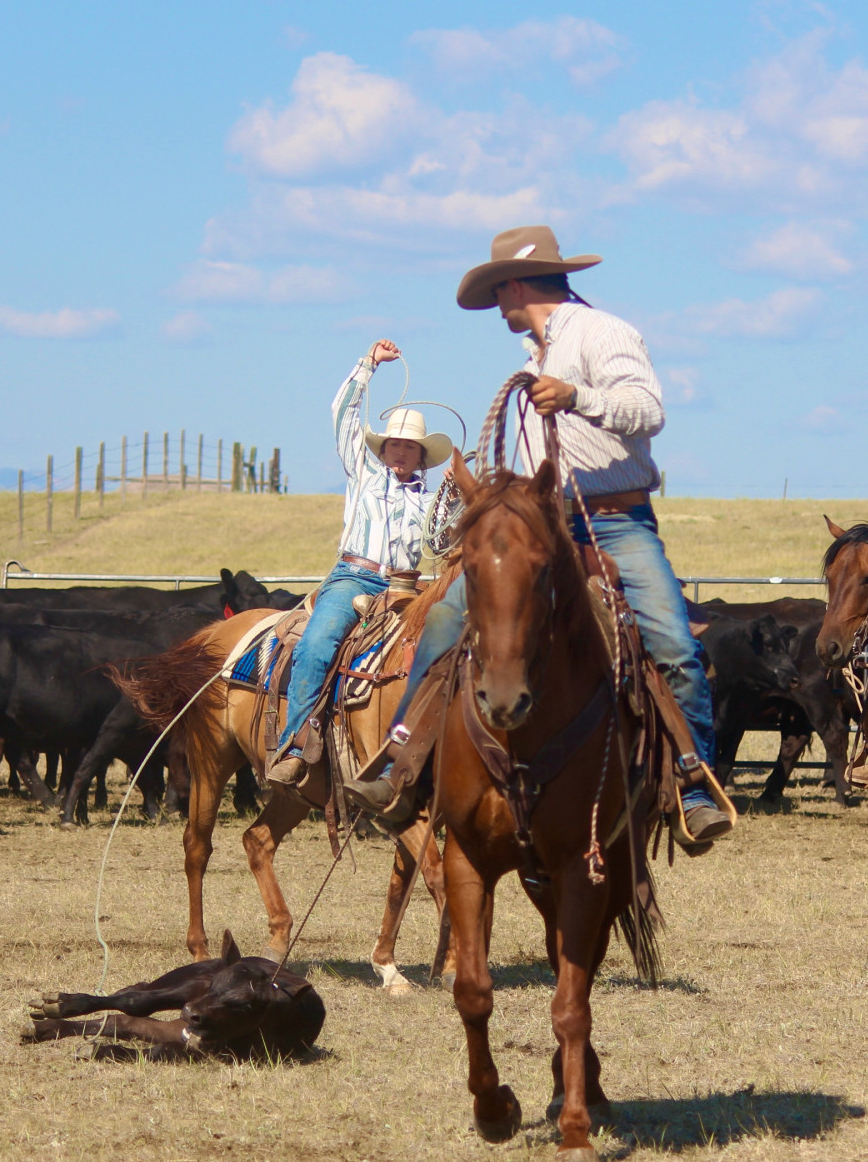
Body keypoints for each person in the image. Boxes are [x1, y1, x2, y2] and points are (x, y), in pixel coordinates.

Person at [345, 225, 732, 844]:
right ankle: (403, 764)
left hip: (616, 523)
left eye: (498, 293)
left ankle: (692, 785)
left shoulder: (604, 333)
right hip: (541, 529)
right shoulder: (529, 366)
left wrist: (577, 395)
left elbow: (648, 409)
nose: (497, 307)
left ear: (517, 285)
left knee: (672, 643)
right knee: (445, 619)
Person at [266, 340, 452, 792]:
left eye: (410, 447)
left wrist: (456, 493)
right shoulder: (364, 473)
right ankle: (295, 745)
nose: (400, 451)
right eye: (394, 444)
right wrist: (368, 365)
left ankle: (415, 751)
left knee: (443, 650)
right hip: (354, 577)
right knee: (318, 643)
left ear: (422, 456)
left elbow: (445, 542)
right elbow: (343, 415)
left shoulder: (432, 502)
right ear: (383, 449)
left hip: (408, 587)